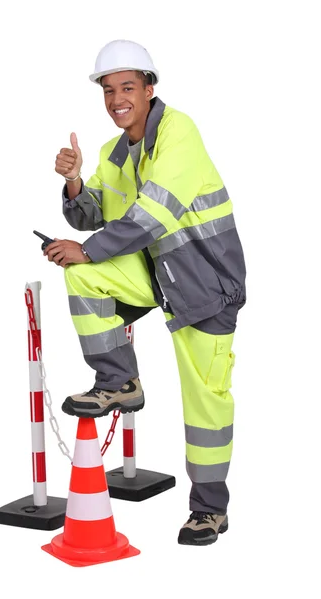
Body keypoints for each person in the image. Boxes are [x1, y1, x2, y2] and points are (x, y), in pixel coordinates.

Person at [44, 39, 246, 546]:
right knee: (83, 275)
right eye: (108, 90)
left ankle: (209, 512)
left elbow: (153, 215)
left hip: (205, 285)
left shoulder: (180, 133)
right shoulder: (118, 152)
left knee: (206, 402)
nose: (116, 99)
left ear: (149, 89)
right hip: (158, 276)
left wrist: (87, 249)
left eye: (127, 87)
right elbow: (91, 213)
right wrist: (73, 183)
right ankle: (119, 381)